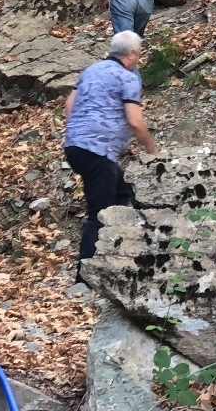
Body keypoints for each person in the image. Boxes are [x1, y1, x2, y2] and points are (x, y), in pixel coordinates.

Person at [63, 31, 159, 266]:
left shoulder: (91, 70)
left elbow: (69, 105)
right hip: (97, 150)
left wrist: (80, 131)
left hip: (75, 145)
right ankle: (86, 275)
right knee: (100, 212)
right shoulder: (127, 78)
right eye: (139, 54)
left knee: (121, 190)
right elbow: (135, 121)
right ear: (132, 54)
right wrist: (153, 151)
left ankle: (113, 252)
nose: (139, 59)